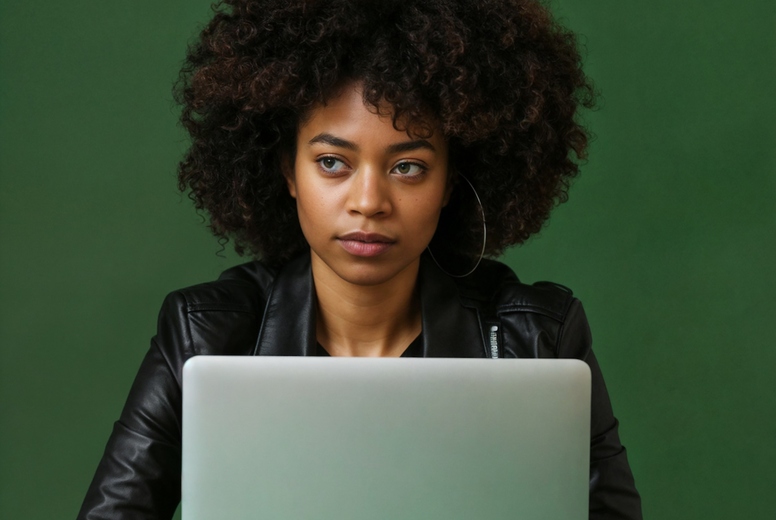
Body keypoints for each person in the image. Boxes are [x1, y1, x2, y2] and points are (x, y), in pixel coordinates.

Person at [78, 0, 642, 518]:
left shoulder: (538, 340)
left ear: (450, 182)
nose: (369, 202)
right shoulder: (206, 333)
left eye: (408, 167)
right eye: (332, 162)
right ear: (286, 170)